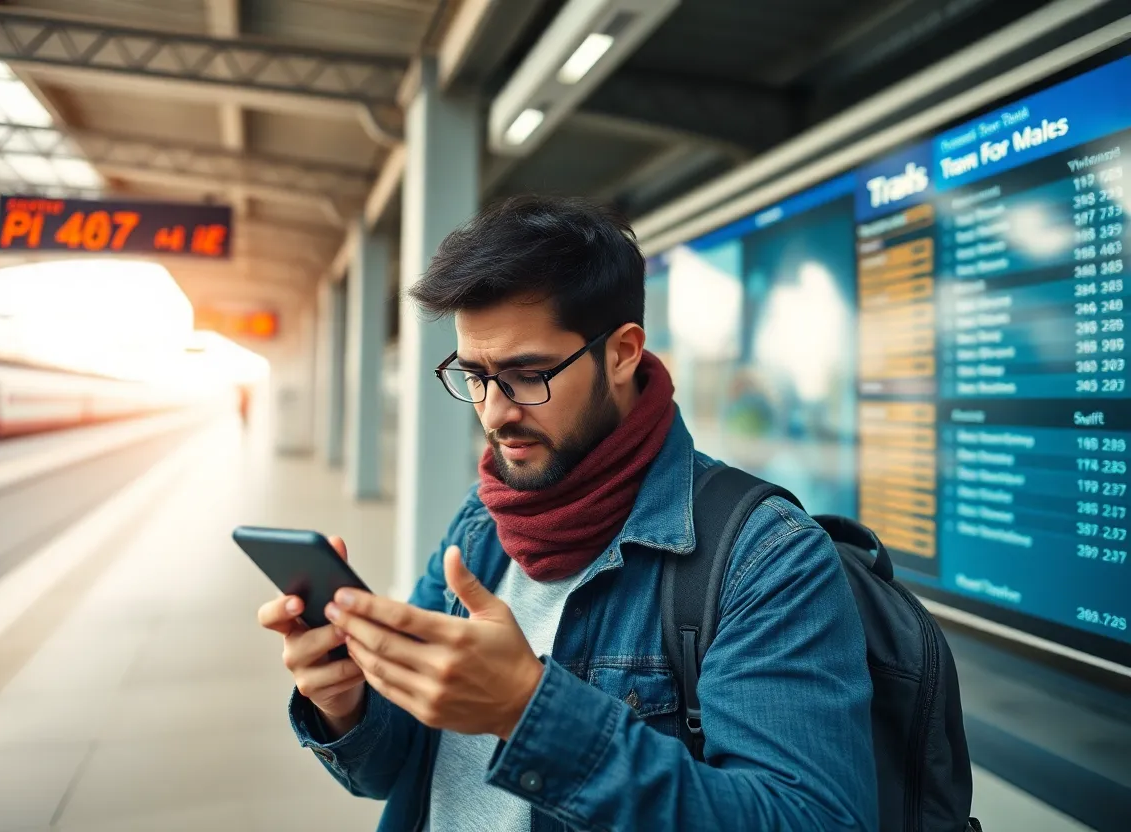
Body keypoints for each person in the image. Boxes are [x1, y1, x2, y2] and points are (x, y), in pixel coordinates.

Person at [258, 195, 878, 831]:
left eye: (527, 375)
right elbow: (395, 766)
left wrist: (530, 713)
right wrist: (346, 703)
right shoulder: (484, 519)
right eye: (474, 376)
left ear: (622, 353)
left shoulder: (764, 558)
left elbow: (812, 820)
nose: (495, 413)